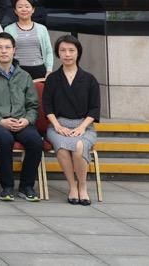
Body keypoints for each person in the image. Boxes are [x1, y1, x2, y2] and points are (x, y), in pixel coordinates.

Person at [0, 32, 43, 202]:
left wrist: (27, 120)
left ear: (14, 50)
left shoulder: (24, 76)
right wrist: (0, 121)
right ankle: (7, 187)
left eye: (7, 47)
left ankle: (26, 186)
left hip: (21, 121)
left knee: (35, 141)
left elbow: (33, 105)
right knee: (4, 139)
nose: (4, 51)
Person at [44, 35, 101, 206]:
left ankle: (82, 186)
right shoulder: (52, 79)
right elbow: (47, 106)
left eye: (71, 50)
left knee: (79, 146)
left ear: (78, 53)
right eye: (63, 50)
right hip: (58, 125)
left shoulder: (89, 79)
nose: (67, 54)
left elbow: (94, 108)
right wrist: (57, 126)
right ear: (58, 53)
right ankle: (72, 187)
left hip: (84, 126)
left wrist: (82, 127)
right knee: (62, 147)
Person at [3, 0, 53, 80]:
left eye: (27, 6)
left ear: (33, 9)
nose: (24, 9)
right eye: (20, 7)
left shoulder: (42, 29)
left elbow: (49, 51)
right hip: (17, 71)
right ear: (15, 11)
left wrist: (49, 70)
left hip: (39, 70)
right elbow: (6, 51)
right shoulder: (8, 29)